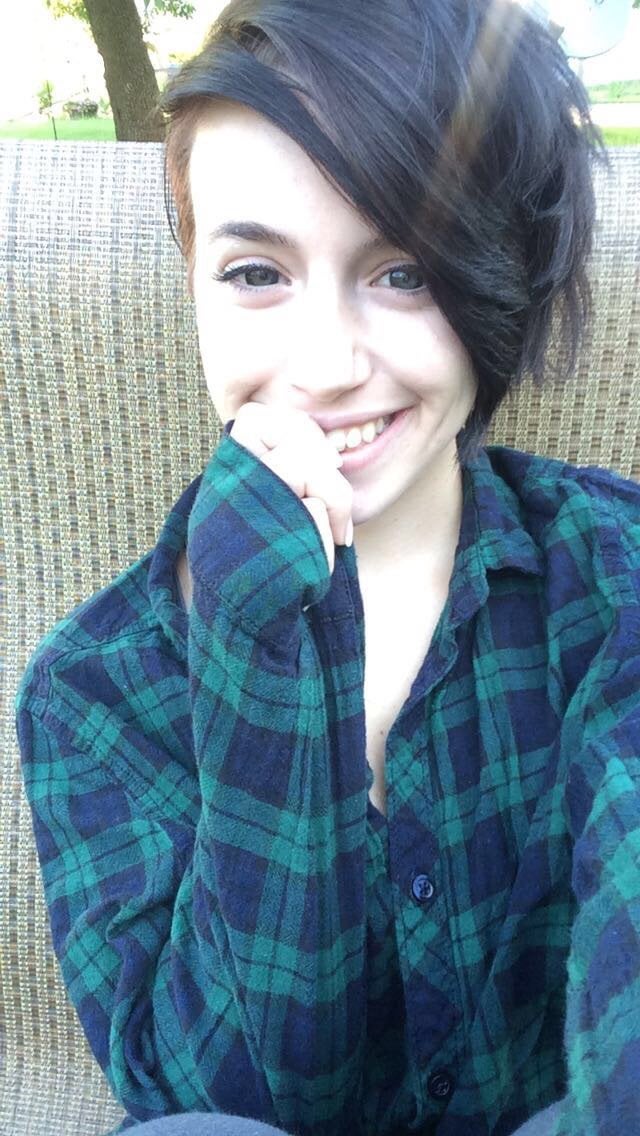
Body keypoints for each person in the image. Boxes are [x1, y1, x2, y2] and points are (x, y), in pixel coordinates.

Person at [14, 0, 640, 1133]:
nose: (327, 364)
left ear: (500, 274)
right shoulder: (93, 691)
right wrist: (254, 660)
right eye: (257, 272)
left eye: (404, 270)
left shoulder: (616, 574)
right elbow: (208, 1100)